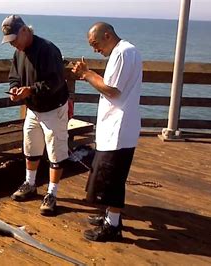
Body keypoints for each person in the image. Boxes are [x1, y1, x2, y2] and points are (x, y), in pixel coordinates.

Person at [71, 22, 142, 241]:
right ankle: (110, 218)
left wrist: (87, 73)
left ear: (107, 35)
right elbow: (112, 85)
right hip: (117, 127)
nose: (95, 49)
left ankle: (112, 227)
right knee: (108, 177)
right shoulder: (126, 52)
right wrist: (89, 74)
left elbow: (111, 90)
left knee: (112, 179)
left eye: (95, 44)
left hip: (118, 129)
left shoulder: (123, 53)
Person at [1, 15, 69, 216]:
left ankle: (52, 193)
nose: (12, 44)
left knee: (56, 151)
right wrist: (15, 89)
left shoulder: (48, 49)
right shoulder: (18, 52)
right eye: (9, 41)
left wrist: (30, 90)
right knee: (31, 146)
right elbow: (14, 76)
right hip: (33, 109)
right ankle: (30, 184)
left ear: (24, 31)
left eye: (14, 39)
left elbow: (55, 81)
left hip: (53, 108)